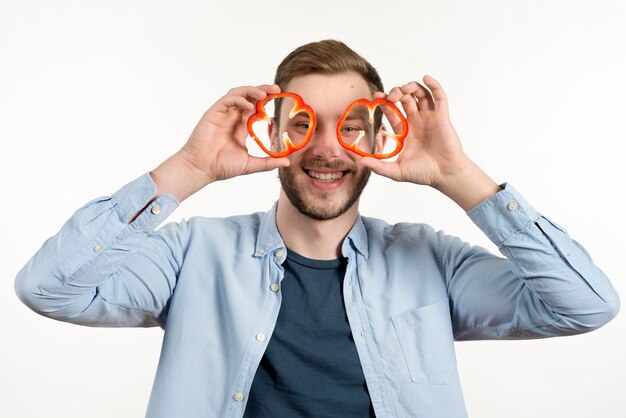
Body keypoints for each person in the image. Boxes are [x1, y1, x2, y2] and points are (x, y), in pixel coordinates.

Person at [15, 40, 619, 418]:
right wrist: (190, 168)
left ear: (384, 135)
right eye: (306, 125)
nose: (328, 150)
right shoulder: (190, 254)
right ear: (276, 133)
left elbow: (586, 305)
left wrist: (457, 174)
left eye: (352, 126)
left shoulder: (433, 262)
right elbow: (48, 288)